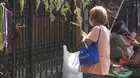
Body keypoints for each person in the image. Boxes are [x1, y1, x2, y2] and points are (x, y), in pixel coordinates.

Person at [81, 6, 110, 78]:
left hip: (95, 65)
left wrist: (81, 35)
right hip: (103, 65)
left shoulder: (96, 29)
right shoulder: (105, 30)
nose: (90, 19)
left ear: (94, 18)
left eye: (91, 16)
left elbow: (86, 43)